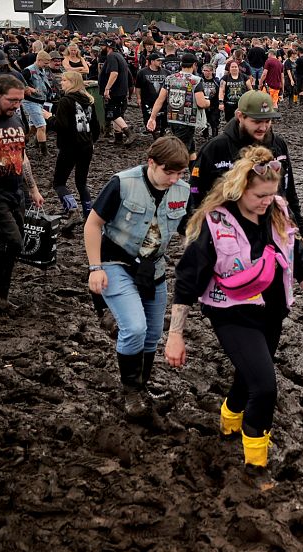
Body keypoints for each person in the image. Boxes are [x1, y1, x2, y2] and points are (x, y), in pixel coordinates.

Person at [167, 145, 303, 490]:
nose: (267, 201)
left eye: (272, 194)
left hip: (273, 310)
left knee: (248, 376)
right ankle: (255, 466)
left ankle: (230, 418)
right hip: (231, 312)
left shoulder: (278, 211)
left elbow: (299, 260)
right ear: (240, 189)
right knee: (265, 386)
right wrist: (176, 333)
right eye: (260, 196)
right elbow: (188, 280)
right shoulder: (215, 222)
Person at [83, 137, 191, 417]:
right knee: (134, 328)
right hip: (116, 261)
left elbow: (188, 231)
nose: (174, 179)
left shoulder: (183, 191)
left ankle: (142, 386)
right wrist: (95, 268)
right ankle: (130, 392)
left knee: (153, 334)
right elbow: (93, 224)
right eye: (169, 172)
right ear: (151, 163)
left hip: (152, 268)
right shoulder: (122, 183)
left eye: (180, 173)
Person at [191, 90, 303, 241]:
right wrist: (198, 234)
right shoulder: (215, 148)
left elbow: (288, 191)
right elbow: (196, 193)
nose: (263, 127)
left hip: (271, 230)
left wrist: (301, 231)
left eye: (268, 121)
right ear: (240, 116)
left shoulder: (278, 146)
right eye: (257, 121)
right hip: (227, 235)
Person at [0, 75, 46, 312]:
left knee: (10, 244)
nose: (16, 105)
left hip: (15, 190)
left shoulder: (15, 118)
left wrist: (33, 188)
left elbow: (22, 155)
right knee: (11, 240)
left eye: (19, 100)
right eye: (11, 100)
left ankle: (0, 295)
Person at [46, 71, 100, 221]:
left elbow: (60, 126)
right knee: (81, 183)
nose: (61, 83)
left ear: (73, 83)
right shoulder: (89, 100)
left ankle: (72, 209)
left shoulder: (66, 101)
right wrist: (91, 141)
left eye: (64, 80)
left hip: (69, 146)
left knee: (59, 182)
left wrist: (49, 118)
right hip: (86, 146)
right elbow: (95, 126)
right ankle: (88, 214)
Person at [147, 53, 210, 162]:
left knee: (191, 150)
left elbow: (160, 99)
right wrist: (208, 102)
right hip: (188, 120)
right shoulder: (196, 80)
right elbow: (201, 103)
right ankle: (166, 171)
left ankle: (194, 175)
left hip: (173, 118)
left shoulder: (170, 78)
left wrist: (152, 117)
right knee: (179, 152)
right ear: (194, 64)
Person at [100, 41, 135, 146]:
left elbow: (114, 73)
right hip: (121, 90)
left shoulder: (111, 57)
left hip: (114, 91)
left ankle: (128, 132)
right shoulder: (120, 56)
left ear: (108, 47)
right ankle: (118, 138)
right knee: (117, 113)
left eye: (103, 46)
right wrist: (129, 90)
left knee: (113, 113)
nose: (101, 48)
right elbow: (129, 74)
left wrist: (107, 88)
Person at [21, 50, 53, 156]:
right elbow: (19, 83)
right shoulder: (28, 71)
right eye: (45, 63)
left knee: (33, 127)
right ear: (39, 60)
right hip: (31, 101)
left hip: (39, 101)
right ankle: (44, 152)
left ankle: (22, 141)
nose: (47, 65)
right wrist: (31, 89)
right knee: (42, 126)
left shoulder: (41, 69)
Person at [136, 53, 168, 140]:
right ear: (152, 61)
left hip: (163, 101)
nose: (160, 62)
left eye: (161, 60)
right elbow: (138, 87)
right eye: (158, 60)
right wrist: (138, 98)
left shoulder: (166, 72)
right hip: (147, 100)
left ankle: (162, 133)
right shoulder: (142, 73)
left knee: (164, 120)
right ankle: (156, 136)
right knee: (150, 119)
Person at [199, 64, 221, 138]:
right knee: (204, 122)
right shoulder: (200, 80)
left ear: (212, 71)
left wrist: (220, 102)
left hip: (214, 105)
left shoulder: (216, 81)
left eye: (207, 71)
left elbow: (220, 92)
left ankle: (215, 137)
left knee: (214, 122)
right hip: (203, 104)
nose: (205, 72)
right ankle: (205, 136)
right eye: (204, 70)